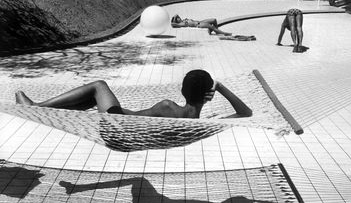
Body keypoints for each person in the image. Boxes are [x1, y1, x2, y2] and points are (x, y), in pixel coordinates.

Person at [15, 69, 252, 118]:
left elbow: (131, 119)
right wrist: (218, 88)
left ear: (182, 90)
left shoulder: (169, 106)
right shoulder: (197, 122)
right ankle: (41, 111)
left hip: (118, 125)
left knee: (98, 85)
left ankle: (35, 108)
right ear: (205, 95)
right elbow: (245, 112)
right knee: (88, 102)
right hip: (122, 127)